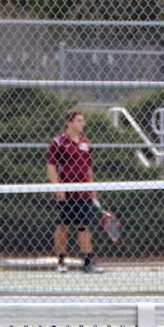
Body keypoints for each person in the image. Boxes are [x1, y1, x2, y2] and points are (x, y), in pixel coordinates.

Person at [46, 109, 102, 273]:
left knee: (84, 226)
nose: (83, 123)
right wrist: (57, 187)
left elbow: (88, 167)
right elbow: (51, 166)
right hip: (66, 193)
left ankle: (88, 262)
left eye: (83, 120)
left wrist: (92, 187)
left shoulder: (86, 142)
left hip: (83, 193)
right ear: (69, 123)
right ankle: (61, 262)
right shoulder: (58, 142)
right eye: (79, 120)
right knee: (63, 226)